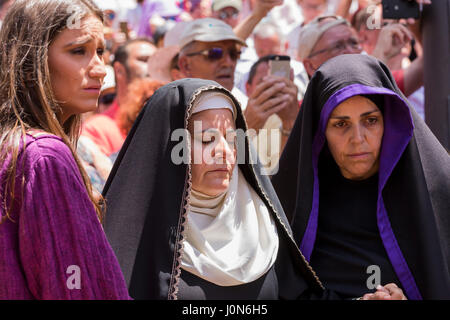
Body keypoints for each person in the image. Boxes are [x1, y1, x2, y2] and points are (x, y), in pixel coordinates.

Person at [101, 78, 405, 300]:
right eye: (206, 140)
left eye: (232, 140)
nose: (224, 152)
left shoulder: (259, 222)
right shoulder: (134, 241)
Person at [271, 54, 450, 299]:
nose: (358, 138)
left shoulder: (435, 193)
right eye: (341, 124)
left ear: (391, 122)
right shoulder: (292, 205)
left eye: (371, 121)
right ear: (320, 133)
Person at [0, 0, 129, 299]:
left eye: (100, 51)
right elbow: (73, 287)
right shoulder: (44, 155)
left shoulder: (19, 146)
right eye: (78, 51)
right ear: (32, 60)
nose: (100, 70)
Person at [82, 38, 156, 157]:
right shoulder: (96, 129)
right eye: (145, 60)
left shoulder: (174, 119)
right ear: (119, 71)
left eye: (157, 60)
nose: (154, 66)